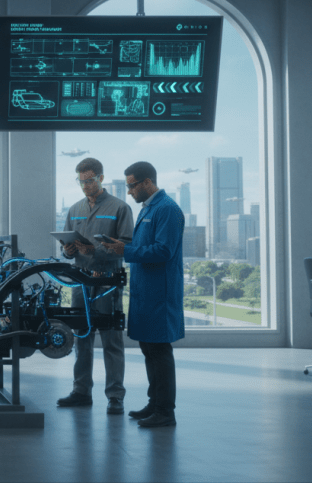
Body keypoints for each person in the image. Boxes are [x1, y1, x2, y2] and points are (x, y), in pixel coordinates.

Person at [100, 161, 184, 428]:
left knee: (159, 351)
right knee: (149, 349)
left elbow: (163, 251)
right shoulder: (149, 209)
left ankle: (165, 411)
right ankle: (154, 403)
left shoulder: (167, 210)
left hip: (160, 293)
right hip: (145, 290)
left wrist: (124, 251)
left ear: (147, 183)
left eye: (132, 186)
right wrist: (121, 246)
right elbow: (144, 246)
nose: (129, 192)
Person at [56, 157, 134, 415]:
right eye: (81, 181)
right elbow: (67, 249)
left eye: (90, 180)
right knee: (81, 337)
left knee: (111, 339)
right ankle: (81, 391)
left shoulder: (119, 208)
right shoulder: (75, 209)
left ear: (100, 177)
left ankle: (115, 396)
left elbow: (126, 246)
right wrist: (68, 250)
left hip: (107, 281)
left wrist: (95, 249)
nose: (86, 186)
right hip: (80, 281)